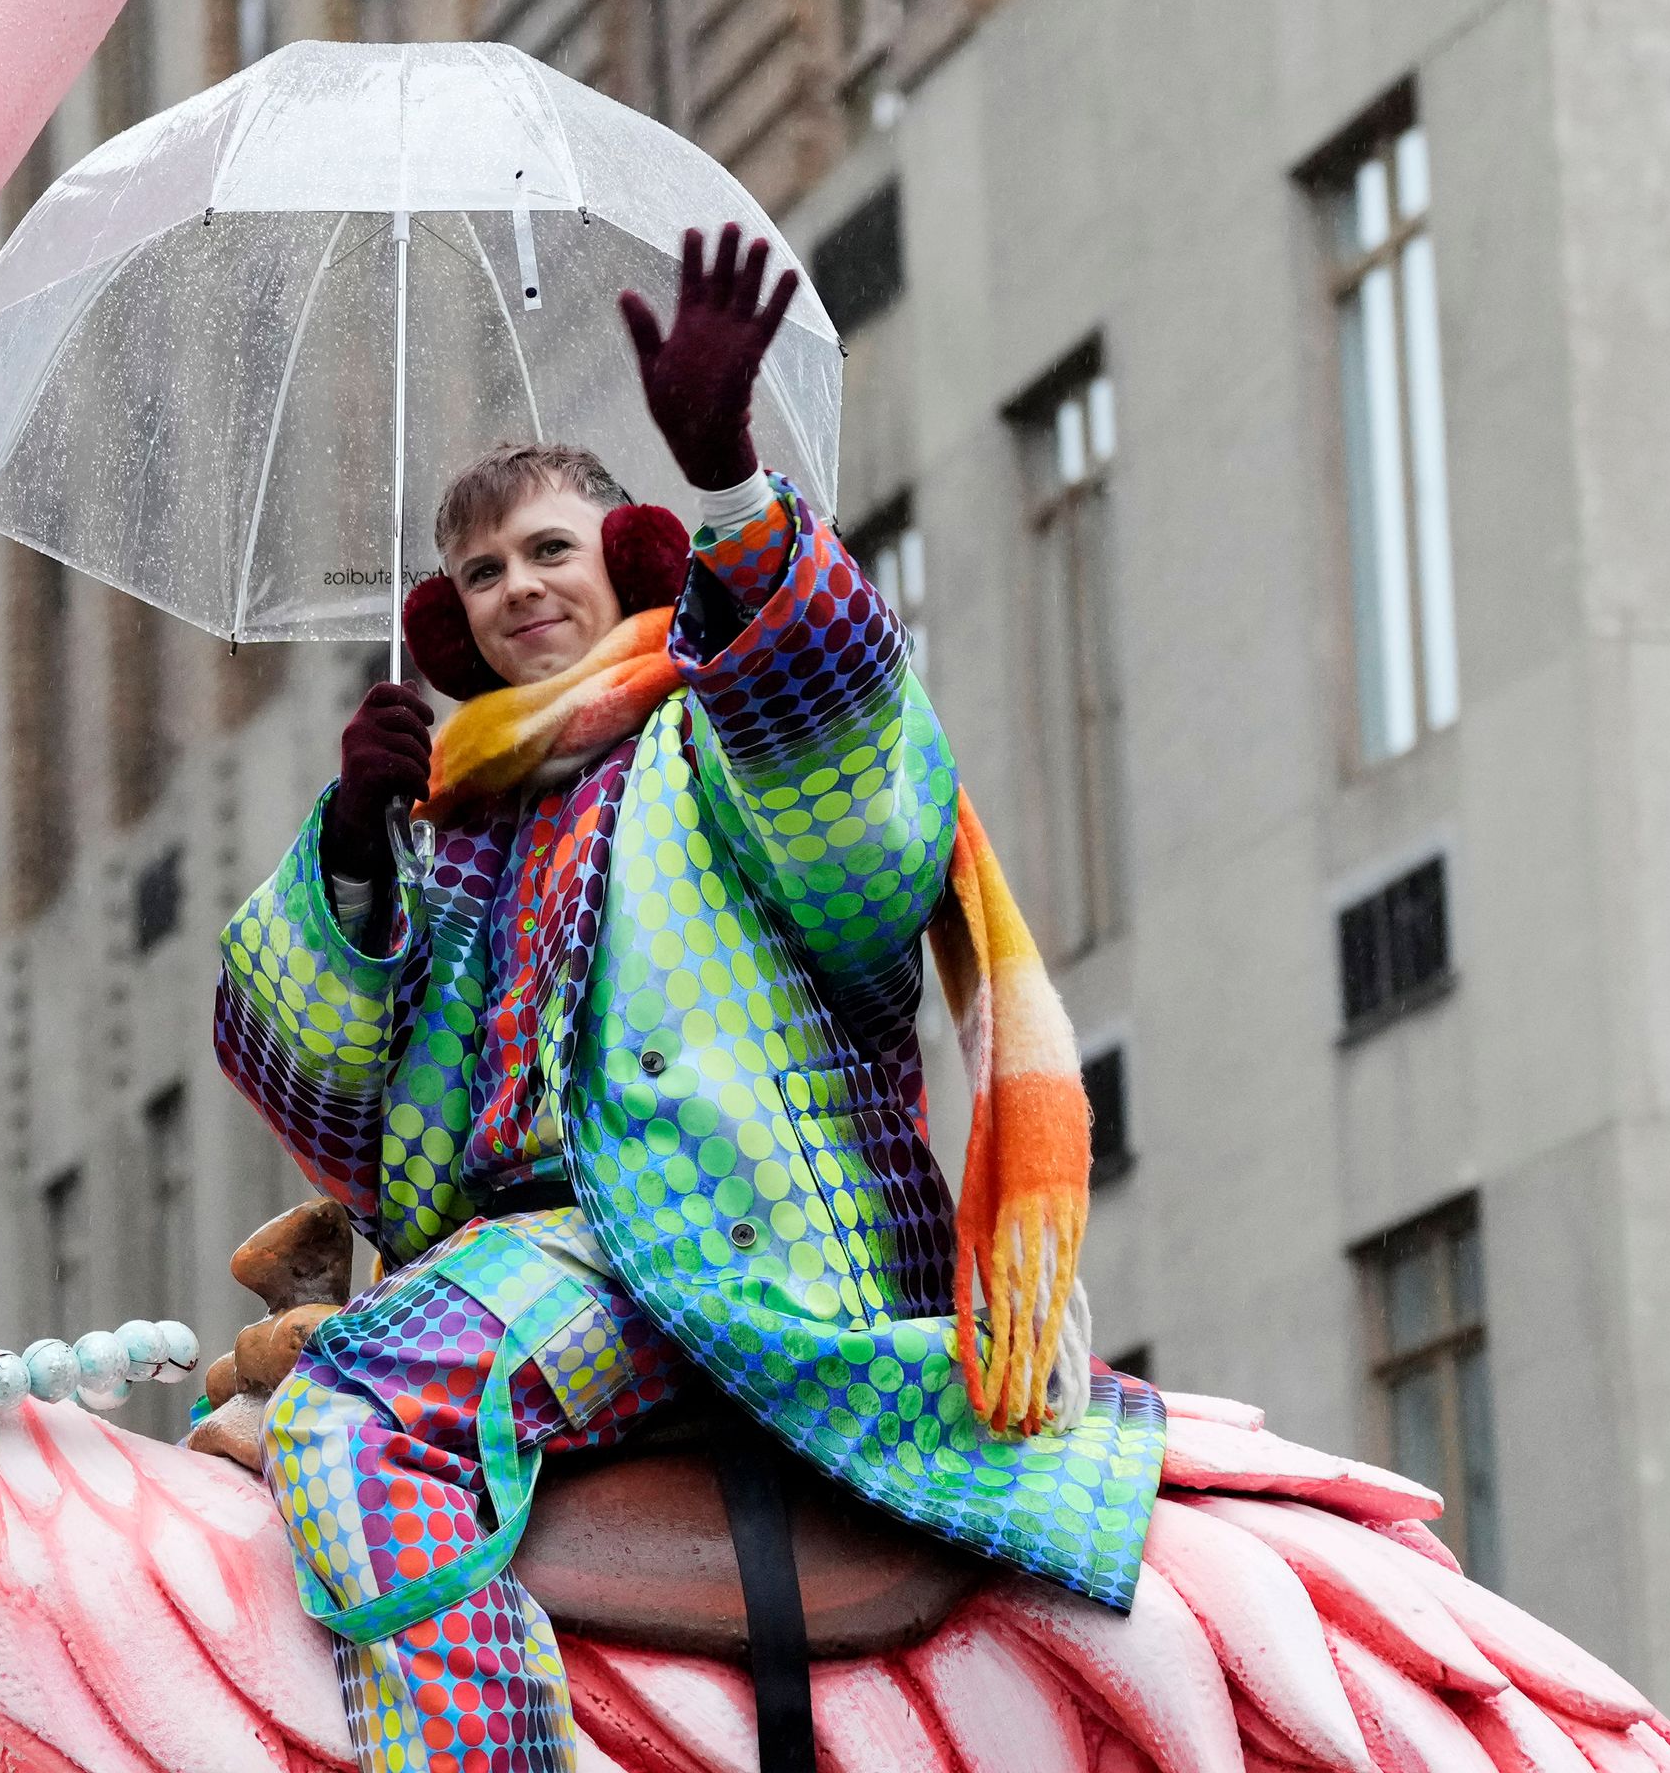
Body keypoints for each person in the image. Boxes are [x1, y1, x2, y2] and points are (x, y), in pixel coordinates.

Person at [215, 225, 1163, 1773]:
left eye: (547, 550)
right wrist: (350, 868)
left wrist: (729, 487)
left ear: (627, 564)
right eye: (481, 569)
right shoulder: (449, 829)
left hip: (697, 1243)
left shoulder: (718, 730)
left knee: (354, 1418)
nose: (517, 584)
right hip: (504, 1253)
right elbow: (334, 1109)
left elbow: (867, 830)